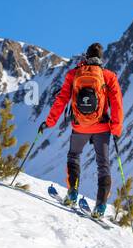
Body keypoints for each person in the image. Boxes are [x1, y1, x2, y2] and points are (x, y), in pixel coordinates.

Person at [40, 43, 123, 217]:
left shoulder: (73, 74)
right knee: (103, 165)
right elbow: (116, 105)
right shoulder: (109, 76)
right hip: (102, 127)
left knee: (73, 156)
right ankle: (100, 206)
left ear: (86, 57)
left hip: (79, 126)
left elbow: (61, 100)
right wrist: (116, 129)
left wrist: (49, 122)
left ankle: (72, 194)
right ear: (101, 59)